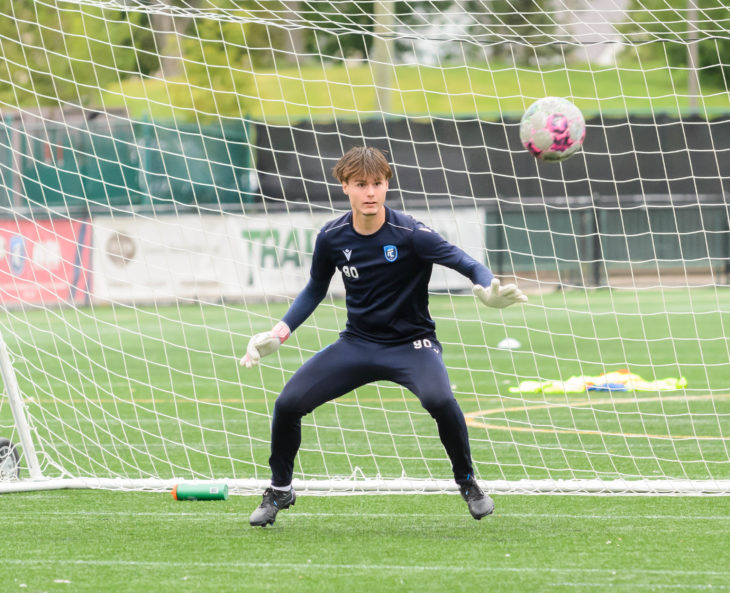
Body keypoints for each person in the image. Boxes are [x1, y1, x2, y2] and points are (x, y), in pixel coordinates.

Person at [242, 146, 527, 527]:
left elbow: (466, 262)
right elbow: (314, 288)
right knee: (288, 404)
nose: (371, 192)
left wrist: (489, 287)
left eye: (378, 183)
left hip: (412, 346)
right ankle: (280, 489)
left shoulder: (411, 234)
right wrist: (281, 331)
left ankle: (468, 482)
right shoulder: (331, 237)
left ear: (387, 183)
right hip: (356, 344)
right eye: (361, 184)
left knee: (440, 399)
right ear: (345, 186)